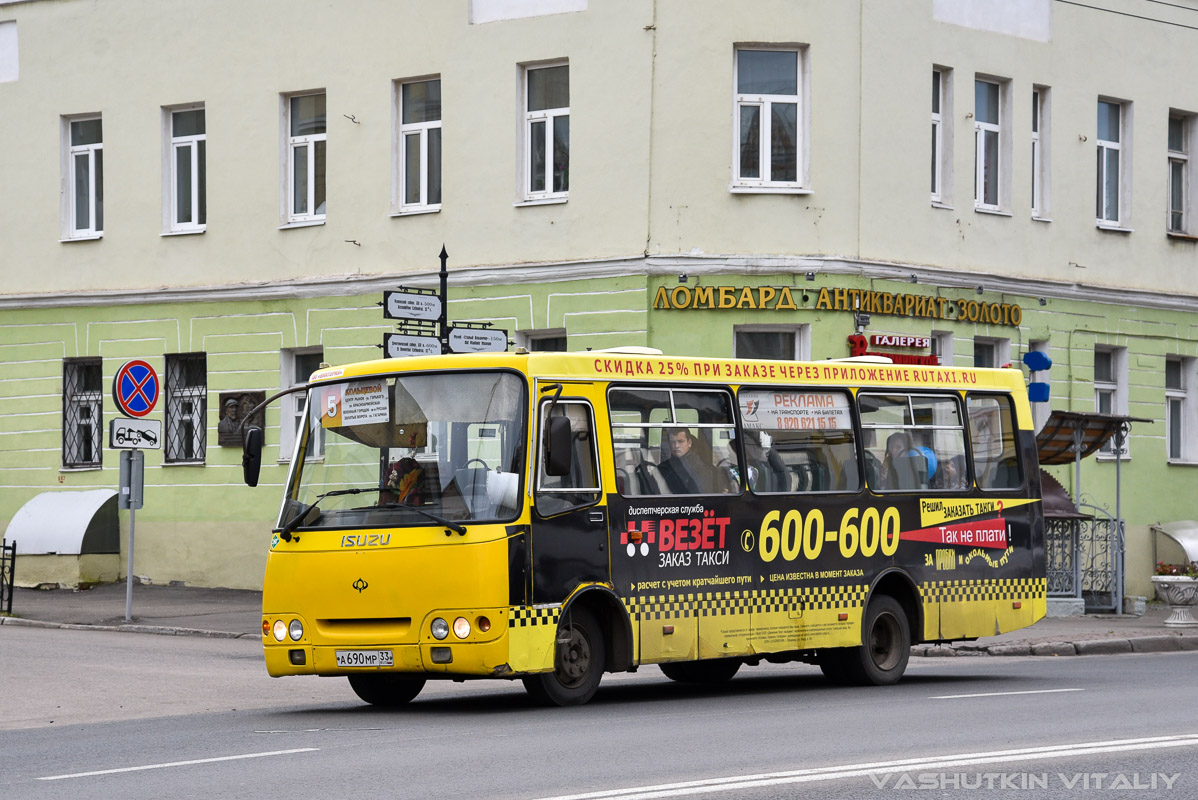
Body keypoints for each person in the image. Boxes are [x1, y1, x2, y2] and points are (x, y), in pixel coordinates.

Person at [658, 427, 725, 494]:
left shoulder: (700, 466)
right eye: (673, 442)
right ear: (669, 444)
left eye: (680, 441)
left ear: (689, 443)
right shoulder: (662, 468)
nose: (676, 446)